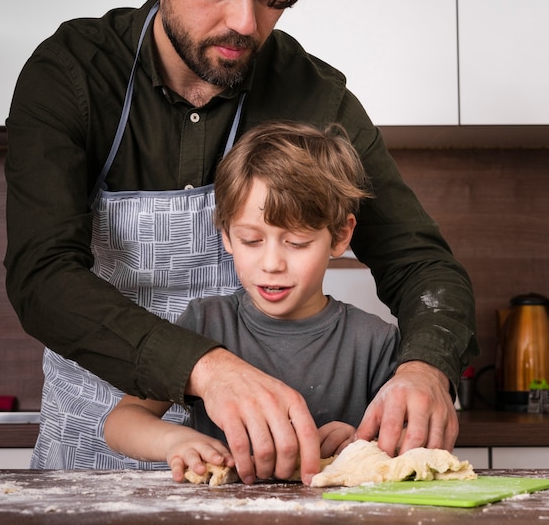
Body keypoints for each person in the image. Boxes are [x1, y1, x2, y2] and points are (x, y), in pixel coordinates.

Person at [4, 0, 478, 485]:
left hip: (251, 479)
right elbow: (41, 277)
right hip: (88, 454)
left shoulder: (317, 98)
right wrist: (204, 366)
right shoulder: (72, 75)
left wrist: (427, 368)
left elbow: (422, 265)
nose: (246, 23)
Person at [103, 121, 400, 483]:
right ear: (226, 234)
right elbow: (121, 421)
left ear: (340, 236)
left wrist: (362, 445)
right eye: (251, 240)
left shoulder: (374, 341)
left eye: (297, 243)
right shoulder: (204, 323)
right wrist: (175, 439)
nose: (272, 264)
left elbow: (410, 450)